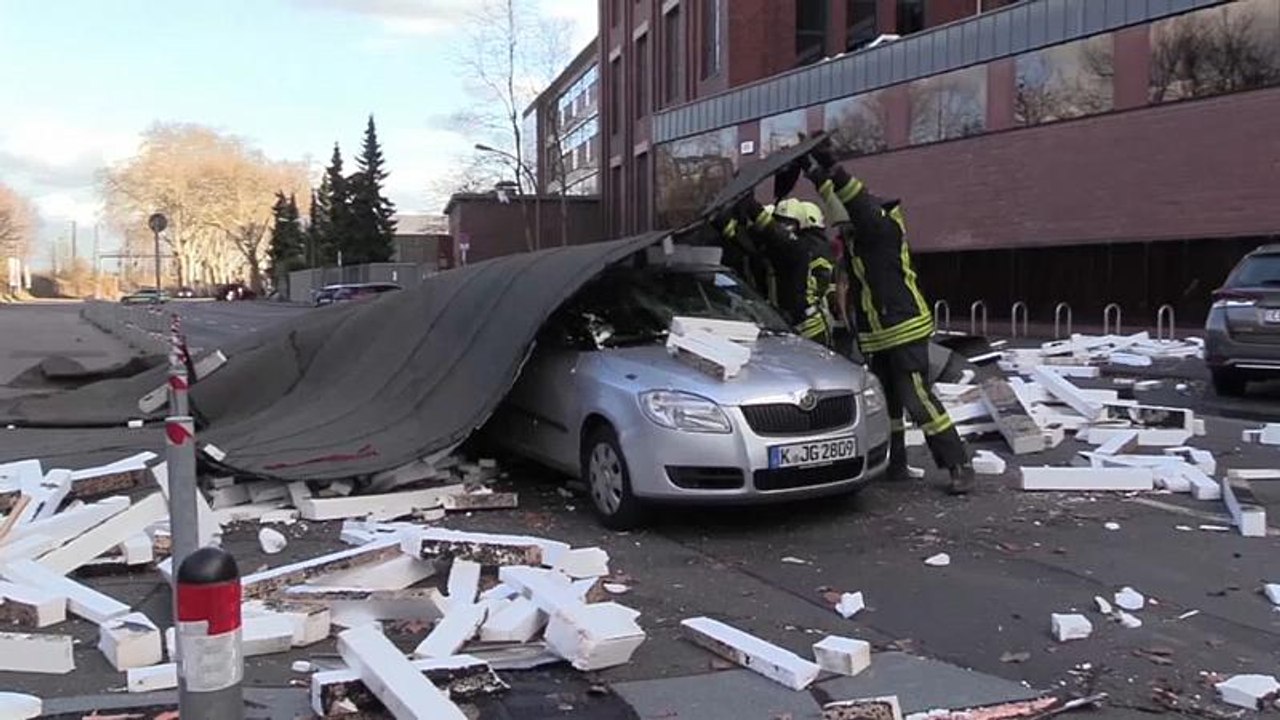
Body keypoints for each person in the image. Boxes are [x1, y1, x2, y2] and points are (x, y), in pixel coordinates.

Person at [803, 142, 975, 495]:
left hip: (903, 328)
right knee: (889, 404)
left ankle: (958, 463)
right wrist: (814, 174)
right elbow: (840, 207)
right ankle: (895, 464)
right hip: (877, 333)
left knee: (917, 397)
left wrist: (832, 166)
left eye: (848, 228)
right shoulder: (858, 240)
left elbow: (855, 204)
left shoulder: (882, 231)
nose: (843, 233)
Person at [713, 195, 836, 346]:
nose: (784, 226)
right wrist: (720, 218)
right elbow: (745, 243)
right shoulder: (775, 250)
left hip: (809, 327)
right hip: (784, 324)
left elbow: (772, 234)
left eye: (789, 223)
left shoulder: (798, 249)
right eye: (780, 221)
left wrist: (748, 203)